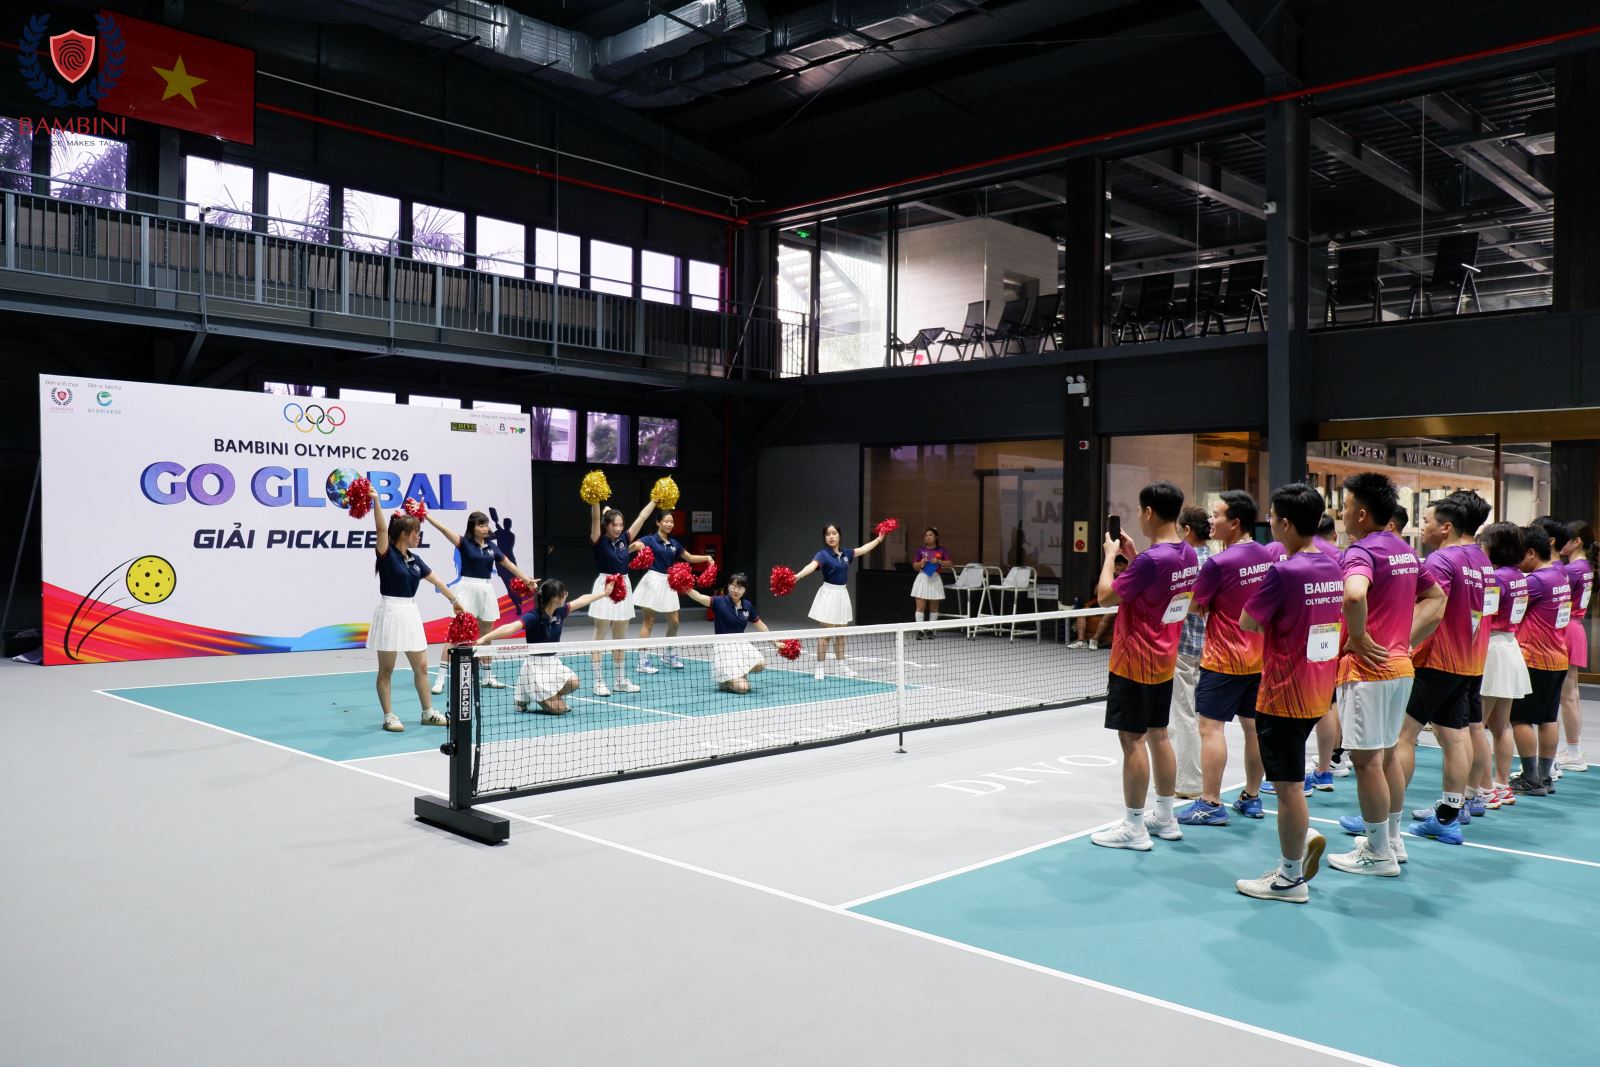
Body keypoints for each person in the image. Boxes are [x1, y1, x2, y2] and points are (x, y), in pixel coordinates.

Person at [1328, 473, 1443, 878]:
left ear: (1361, 514)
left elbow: (1354, 594)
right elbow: (1437, 598)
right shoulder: (1405, 550)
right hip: (1400, 668)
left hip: (1368, 671)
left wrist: (1359, 636)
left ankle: (1377, 853)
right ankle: (1392, 840)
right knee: (1389, 754)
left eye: (1345, 507)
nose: (1341, 514)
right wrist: (1405, 640)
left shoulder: (1360, 552)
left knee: (1366, 763)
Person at [1234, 483, 1342, 903]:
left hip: (1283, 692)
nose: (1270, 522)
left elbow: (1248, 621)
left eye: (1272, 516)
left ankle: (1290, 879)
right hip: (1319, 689)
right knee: (1292, 783)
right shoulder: (1333, 564)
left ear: (1285, 523)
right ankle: (1302, 836)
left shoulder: (1283, 571)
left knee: (1288, 787)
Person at [1089, 481, 1199, 852]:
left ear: (1149, 511)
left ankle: (1134, 826)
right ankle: (1166, 817)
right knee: (1159, 734)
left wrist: (1110, 556)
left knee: (1132, 739)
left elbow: (1105, 596)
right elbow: (1157, 586)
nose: (1138, 516)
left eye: (1139, 510)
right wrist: (1134, 555)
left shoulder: (1152, 560)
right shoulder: (1186, 554)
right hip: (1164, 659)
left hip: (1135, 660)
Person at [1393, 493, 1489, 846]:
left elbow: (1433, 608)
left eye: (1427, 521)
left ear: (1446, 527)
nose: (1422, 527)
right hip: (1468, 660)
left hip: (1435, 660)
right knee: (1453, 738)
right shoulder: (1482, 559)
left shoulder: (1442, 559)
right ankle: (1448, 817)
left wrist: (1401, 644)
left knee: (1403, 736)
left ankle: (1384, 815)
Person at [1178, 493, 1280, 826]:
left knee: (1210, 729)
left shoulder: (1218, 563)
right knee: (1254, 730)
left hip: (1223, 660)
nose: (1211, 521)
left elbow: (1196, 606)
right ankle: (1252, 796)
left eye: (1217, 515)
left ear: (1235, 523)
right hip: (1259, 659)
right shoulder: (1267, 556)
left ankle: (1210, 802)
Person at [366, 497, 465, 733]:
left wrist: (454, 600)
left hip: (410, 613)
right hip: (390, 612)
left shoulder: (415, 560)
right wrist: (376, 501)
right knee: (386, 670)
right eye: (416, 533)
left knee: (421, 666)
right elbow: (381, 529)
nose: (418, 537)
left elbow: (437, 581)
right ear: (403, 534)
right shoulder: (386, 553)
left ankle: (428, 713)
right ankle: (389, 716)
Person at [424, 509, 536, 696]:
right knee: (455, 636)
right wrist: (425, 515)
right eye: (481, 525)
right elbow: (443, 529)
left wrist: (526, 580)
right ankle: (440, 679)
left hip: (486, 590)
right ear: (472, 527)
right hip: (467, 589)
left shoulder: (492, 546)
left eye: (486, 525)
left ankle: (487, 677)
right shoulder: (464, 543)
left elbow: (508, 564)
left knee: (487, 635)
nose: (485, 528)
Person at [477, 579, 610, 715]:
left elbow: (583, 600)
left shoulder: (560, 611)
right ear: (555, 598)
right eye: (564, 593)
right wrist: (484, 638)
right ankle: (529, 698)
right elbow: (510, 628)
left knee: (574, 682)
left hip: (553, 663)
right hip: (535, 667)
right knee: (560, 710)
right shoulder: (533, 617)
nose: (566, 595)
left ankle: (548, 697)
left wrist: (604, 593)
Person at [1507, 523, 1572, 795]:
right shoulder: (1559, 575)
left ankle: (1531, 778)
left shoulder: (1535, 581)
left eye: (1518, 553)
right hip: (1558, 656)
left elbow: (1508, 607)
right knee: (1548, 719)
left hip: (1535, 658)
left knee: (1520, 719)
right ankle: (1544, 777)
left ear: (1531, 552)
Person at [790, 523, 886, 680]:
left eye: (834, 533)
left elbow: (863, 549)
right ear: (825, 538)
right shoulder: (822, 555)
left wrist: (879, 540)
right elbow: (812, 566)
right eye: (828, 534)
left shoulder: (846, 553)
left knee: (841, 634)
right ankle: (820, 667)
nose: (831, 536)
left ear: (839, 535)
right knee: (826, 634)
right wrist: (798, 575)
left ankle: (841, 665)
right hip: (829, 594)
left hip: (842, 594)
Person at [1478, 521, 1531, 808]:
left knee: (1478, 725)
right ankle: (1501, 784)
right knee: (1502, 725)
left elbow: (1483, 615)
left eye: (1485, 542)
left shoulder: (1496, 578)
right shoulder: (1519, 576)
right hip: (1509, 647)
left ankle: (1484, 788)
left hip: (1492, 648)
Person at [587, 497, 658, 697]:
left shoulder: (625, 540)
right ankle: (598, 682)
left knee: (620, 636)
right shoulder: (598, 539)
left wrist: (654, 500)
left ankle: (620, 680)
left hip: (624, 585)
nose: (618, 528)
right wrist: (595, 499)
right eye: (614, 525)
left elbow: (642, 518)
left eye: (620, 525)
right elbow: (595, 517)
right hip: (605, 586)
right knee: (600, 635)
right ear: (606, 525)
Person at [633, 510, 714, 675]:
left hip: (668, 583)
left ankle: (668, 654)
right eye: (666, 521)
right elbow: (629, 548)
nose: (669, 524)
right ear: (658, 522)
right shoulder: (649, 540)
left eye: (672, 522)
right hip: (653, 581)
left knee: (675, 622)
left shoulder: (675, 544)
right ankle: (642, 661)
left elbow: (690, 558)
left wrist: (706, 558)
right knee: (648, 622)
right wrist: (635, 546)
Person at [1170, 507, 1211, 800]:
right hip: (1207, 649)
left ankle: (1189, 782)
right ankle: (1195, 776)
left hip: (1183, 646)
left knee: (1183, 715)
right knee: (1197, 717)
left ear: (1186, 530)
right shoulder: (1215, 559)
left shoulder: (1185, 561)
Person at [682, 573, 775, 693]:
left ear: (745, 590)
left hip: (741, 645)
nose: (736, 590)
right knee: (743, 689)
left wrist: (775, 642)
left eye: (740, 587)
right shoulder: (719, 602)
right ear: (728, 586)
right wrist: (685, 586)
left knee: (760, 664)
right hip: (724, 647)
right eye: (733, 586)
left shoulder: (747, 605)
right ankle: (725, 682)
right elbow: (699, 597)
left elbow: (760, 625)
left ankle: (737, 676)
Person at [1555, 520, 1595, 771]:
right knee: (1572, 694)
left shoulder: (1572, 570)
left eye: (1565, 539)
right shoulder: (1585, 567)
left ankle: (1573, 752)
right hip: (1575, 627)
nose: (1560, 544)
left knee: (1567, 695)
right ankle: (1574, 749)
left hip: (1567, 627)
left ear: (1577, 541)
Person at [1312, 513, 1347, 786]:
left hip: (1306, 635)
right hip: (1336, 632)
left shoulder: (1300, 552)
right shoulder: (1342, 556)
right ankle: (1333, 759)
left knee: (1321, 702)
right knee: (1331, 700)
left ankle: (1326, 765)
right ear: (1334, 534)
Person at [1069, 556, 1127, 648]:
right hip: (1101, 604)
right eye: (1115, 565)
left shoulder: (1127, 578)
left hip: (1115, 606)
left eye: (1120, 565)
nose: (1117, 567)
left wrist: (1119, 578)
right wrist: (1108, 577)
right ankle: (1081, 641)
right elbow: (1096, 592)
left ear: (1126, 566)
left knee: (1107, 615)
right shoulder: (1109, 576)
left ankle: (1095, 639)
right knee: (1083, 611)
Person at [910, 527, 953, 639]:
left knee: (934, 607)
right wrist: (921, 562)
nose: (928, 537)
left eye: (930, 535)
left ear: (936, 537)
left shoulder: (942, 550)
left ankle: (930, 630)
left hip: (935, 578)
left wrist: (939, 561)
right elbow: (915, 566)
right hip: (922, 578)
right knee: (920, 606)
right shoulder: (921, 550)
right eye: (926, 535)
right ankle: (920, 631)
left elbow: (949, 563)